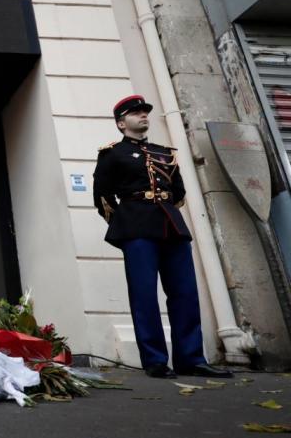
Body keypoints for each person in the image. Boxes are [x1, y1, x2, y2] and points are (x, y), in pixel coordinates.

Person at [93, 95, 231, 379]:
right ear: (121, 123)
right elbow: (103, 196)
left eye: (145, 112)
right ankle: (155, 360)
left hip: (172, 225)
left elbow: (177, 193)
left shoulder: (165, 153)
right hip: (136, 227)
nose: (143, 116)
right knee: (144, 295)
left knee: (185, 294)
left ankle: (191, 359)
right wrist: (125, 223)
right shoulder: (112, 154)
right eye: (136, 113)